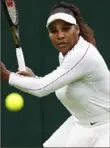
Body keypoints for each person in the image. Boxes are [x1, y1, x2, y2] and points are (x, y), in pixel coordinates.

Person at [1, 1, 110, 147]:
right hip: (82, 127)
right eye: (54, 31)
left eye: (66, 29)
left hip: (105, 129)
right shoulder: (65, 54)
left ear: (77, 29)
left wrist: (7, 76)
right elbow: (54, 84)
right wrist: (34, 79)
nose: (60, 36)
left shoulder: (82, 55)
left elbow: (42, 88)